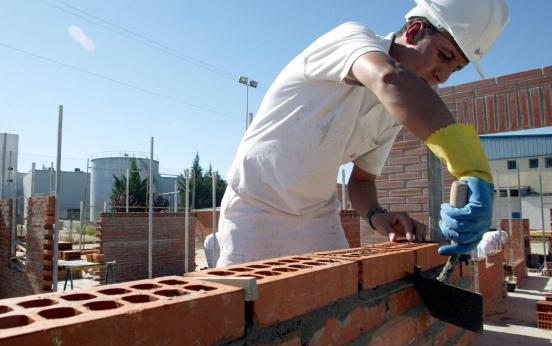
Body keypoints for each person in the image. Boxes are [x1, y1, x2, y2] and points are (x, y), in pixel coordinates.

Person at [217, 0, 509, 267]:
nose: (443, 76)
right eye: (444, 56)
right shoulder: (353, 38)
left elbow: (362, 180)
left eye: (456, 69)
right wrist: (472, 167)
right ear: (415, 30)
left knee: (333, 309)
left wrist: (379, 217)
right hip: (254, 207)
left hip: (317, 216)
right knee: (243, 314)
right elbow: (388, 77)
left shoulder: (392, 110)